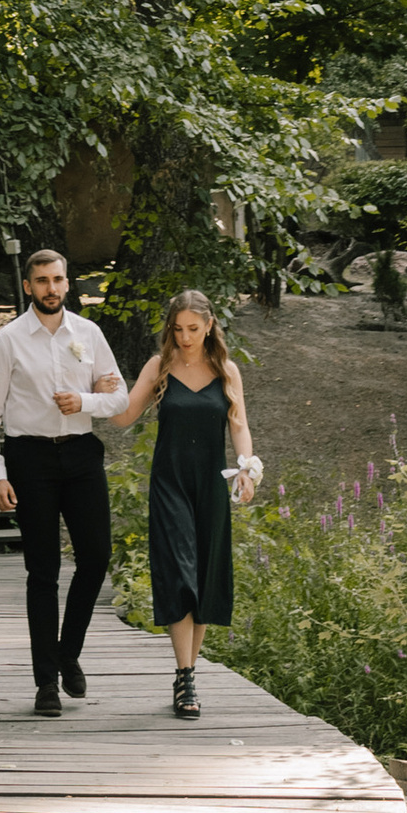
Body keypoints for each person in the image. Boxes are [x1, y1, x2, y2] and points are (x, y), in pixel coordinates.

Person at [0, 246, 126, 716]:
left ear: (66, 281)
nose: (51, 289)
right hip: (30, 458)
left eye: (58, 280)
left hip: (81, 455)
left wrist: (86, 402)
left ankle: (67, 652)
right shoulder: (9, 339)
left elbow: (118, 397)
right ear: (28, 286)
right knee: (42, 574)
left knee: (96, 557)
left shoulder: (90, 333)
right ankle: (46, 685)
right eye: (42, 281)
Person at [109, 287, 259, 719]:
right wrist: (101, 390)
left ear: (210, 325)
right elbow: (123, 416)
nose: (185, 337)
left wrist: (246, 467)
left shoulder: (226, 369)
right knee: (180, 573)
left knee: (205, 577)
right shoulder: (159, 365)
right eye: (177, 330)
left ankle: (186, 674)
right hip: (170, 482)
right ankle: (186, 674)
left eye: (193, 328)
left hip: (210, 484)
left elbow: (240, 426)